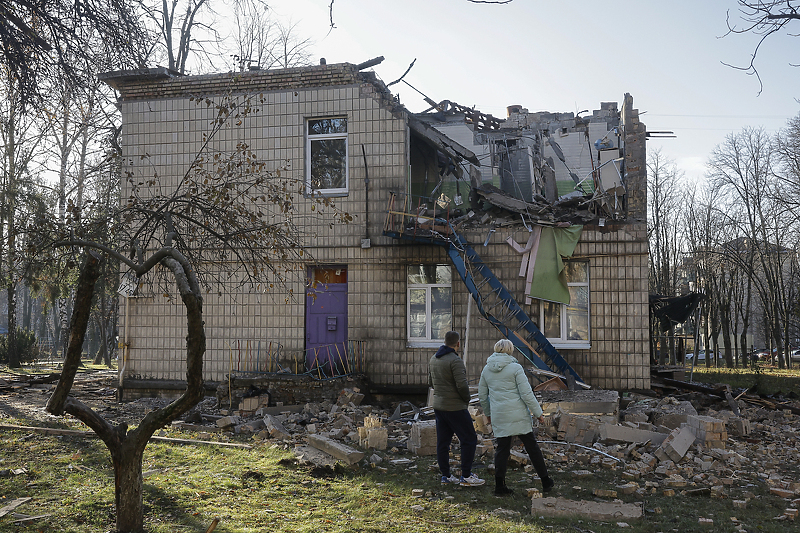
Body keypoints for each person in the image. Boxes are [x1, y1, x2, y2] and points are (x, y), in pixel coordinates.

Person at [478, 338, 554, 496]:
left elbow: (482, 396)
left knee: (502, 450)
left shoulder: (486, 370)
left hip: (499, 415)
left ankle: (500, 486)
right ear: (510, 351)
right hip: (518, 415)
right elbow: (527, 394)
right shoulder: (515, 368)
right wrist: (538, 413)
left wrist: (488, 414)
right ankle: (546, 481)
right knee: (532, 447)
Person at [428, 330, 485, 487]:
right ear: (458, 343)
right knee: (469, 439)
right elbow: (462, 385)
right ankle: (466, 475)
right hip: (455, 407)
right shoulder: (455, 361)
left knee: (443, 442)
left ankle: (446, 476)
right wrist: (466, 399)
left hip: (439, 406)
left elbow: (431, 383)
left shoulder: (434, 359)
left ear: (444, 341)